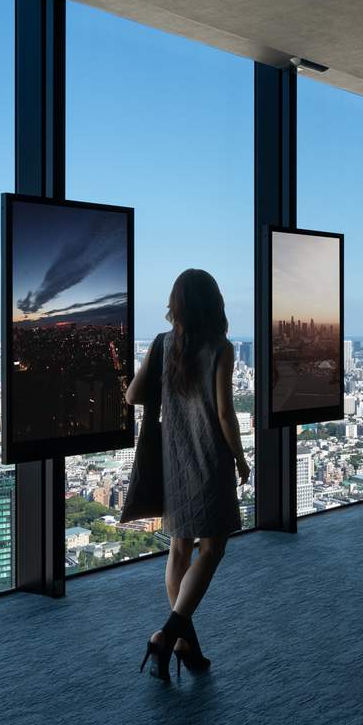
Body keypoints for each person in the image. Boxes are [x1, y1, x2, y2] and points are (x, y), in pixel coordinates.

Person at [128, 269, 251, 680]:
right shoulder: (220, 348)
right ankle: (167, 635)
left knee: (179, 550)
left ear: (175, 304)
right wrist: (240, 458)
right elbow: (223, 414)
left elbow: (131, 395)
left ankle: (185, 648)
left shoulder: (163, 346)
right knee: (212, 550)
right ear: (214, 302)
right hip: (208, 459)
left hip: (172, 460)